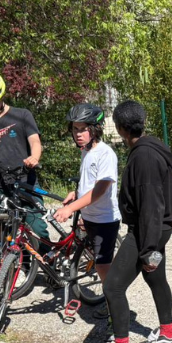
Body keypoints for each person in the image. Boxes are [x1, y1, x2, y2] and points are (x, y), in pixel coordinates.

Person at [96, 100, 172, 343]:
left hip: (148, 231)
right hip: (157, 229)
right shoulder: (149, 146)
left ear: (121, 129)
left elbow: (151, 208)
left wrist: (148, 250)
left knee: (112, 287)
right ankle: (167, 333)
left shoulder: (143, 157)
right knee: (154, 277)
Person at [54, 103, 121, 319]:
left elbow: (101, 189)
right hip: (89, 217)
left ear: (94, 129)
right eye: (74, 129)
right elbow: (88, 183)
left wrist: (71, 209)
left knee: (103, 266)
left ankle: (115, 307)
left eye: (83, 129)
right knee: (96, 262)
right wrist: (75, 194)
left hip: (105, 220)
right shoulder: (86, 152)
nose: (78, 134)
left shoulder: (105, 153)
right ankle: (112, 300)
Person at [0, 71, 49, 239]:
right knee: (8, 234)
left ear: (2, 95)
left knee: (37, 229)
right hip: (0, 185)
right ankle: (13, 265)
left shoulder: (22, 115)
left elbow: (35, 142)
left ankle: (45, 260)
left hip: (25, 181)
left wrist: (34, 157)